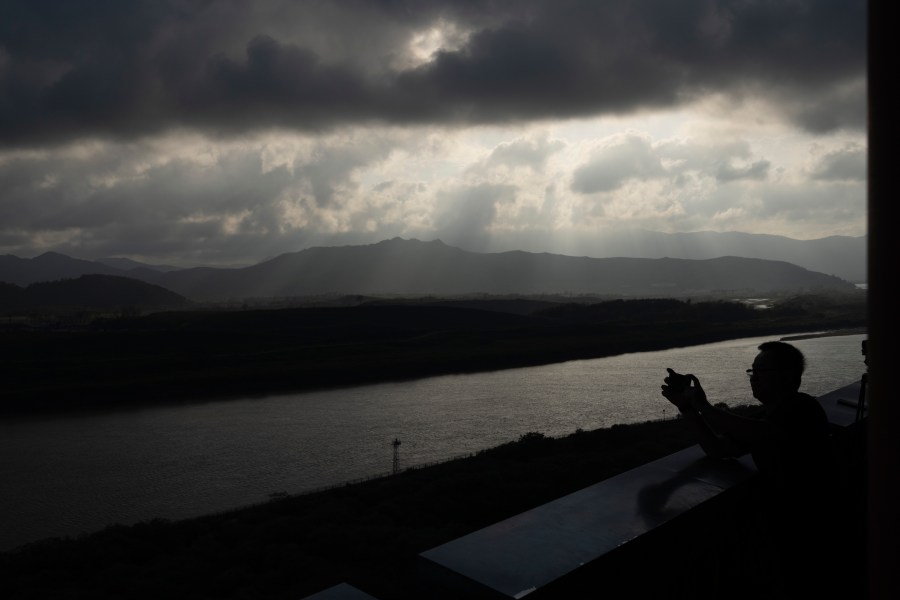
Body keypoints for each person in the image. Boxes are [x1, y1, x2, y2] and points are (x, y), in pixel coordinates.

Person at [661, 341, 838, 597]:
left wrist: (703, 406)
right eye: (751, 371)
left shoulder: (803, 408)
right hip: (791, 529)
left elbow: (762, 434)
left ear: (787, 376)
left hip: (814, 529)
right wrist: (687, 408)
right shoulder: (766, 416)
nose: (752, 378)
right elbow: (719, 449)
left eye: (759, 371)